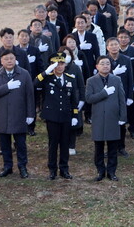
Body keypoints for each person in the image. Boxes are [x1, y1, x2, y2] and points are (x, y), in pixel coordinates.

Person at [0, 49, 35, 178]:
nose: (9, 61)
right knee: (4, 144)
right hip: (2, 115)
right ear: (1, 61)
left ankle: (22, 167)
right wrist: (7, 87)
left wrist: (30, 114)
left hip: (19, 114)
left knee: (20, 144)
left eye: (12, 58)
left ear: (15, 60)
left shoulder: (24, 74)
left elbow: (30, 95)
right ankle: (7, 166)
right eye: (6, 59)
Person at [34, 52, 80, 180]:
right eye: (57, 64)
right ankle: (52, 169)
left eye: (62, 63)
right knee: (53, 143)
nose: (60, 66)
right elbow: (35, 84)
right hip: (52, 116)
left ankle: (64, 169)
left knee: (65, 144)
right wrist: (45, 72)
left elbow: (73, 100)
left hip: (66, 115)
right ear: (52, 65)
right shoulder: (47, 78)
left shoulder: (70, 78)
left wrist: (75, 115)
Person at [86, 55, 127, 182]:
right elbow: (89, 98)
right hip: (98, 118)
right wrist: (104, 93)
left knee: (112, 147)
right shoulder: (91, 81)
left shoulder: (116, 80)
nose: (105, 66)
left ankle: (111, 172)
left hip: (113, 117)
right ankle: (100, 171)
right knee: (98, 147)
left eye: (107, 64)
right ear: (97, 66)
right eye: (102, 64)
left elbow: (121, 99)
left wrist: (122, 116)